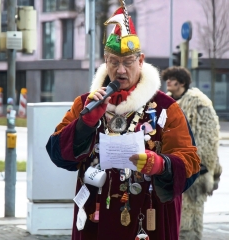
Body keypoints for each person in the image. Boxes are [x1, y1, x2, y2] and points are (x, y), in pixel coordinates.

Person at [46, 2, 201, 239]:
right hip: (94, 219)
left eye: (128, 62)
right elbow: (58, 154)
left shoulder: (166, 108)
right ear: (105, 61)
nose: (120, 70)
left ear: (141, 61)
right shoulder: (85, 103)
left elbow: (190, 164)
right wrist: (84, 126)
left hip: (149, 221)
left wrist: (161, 165)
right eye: (113, 61)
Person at [162, 66, 222, 240]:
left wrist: (202, 166)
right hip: (170, 170)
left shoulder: (198, 103)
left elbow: (208, 137)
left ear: (182, 82)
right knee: (171, 221)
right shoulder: (166, 102)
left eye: (172, 79)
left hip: (194, 171)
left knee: (189, 222)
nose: (168, 82)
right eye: (168, 78)